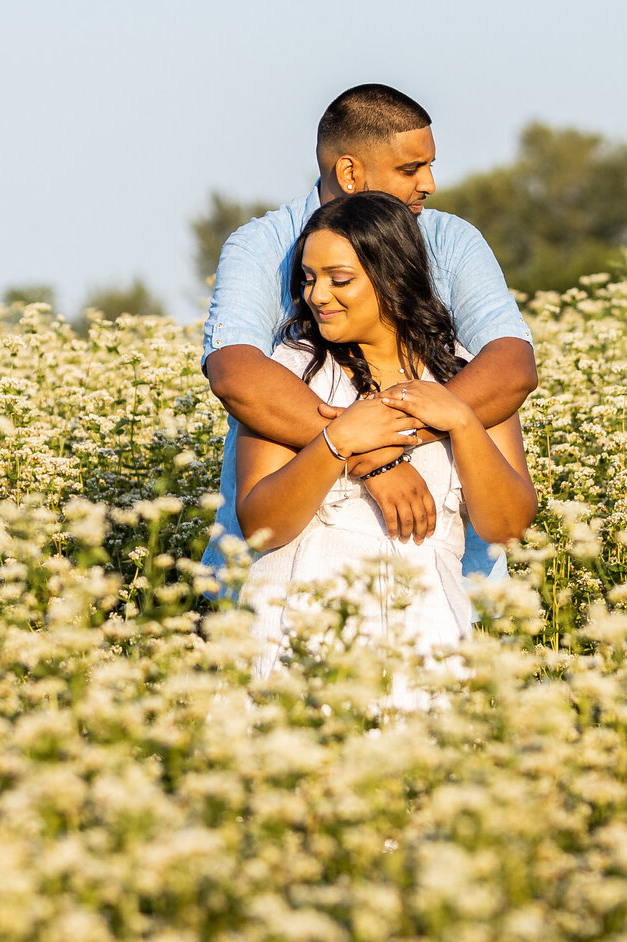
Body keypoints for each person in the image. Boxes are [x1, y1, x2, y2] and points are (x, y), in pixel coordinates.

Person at [202, 82, 536, 581]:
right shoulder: (262, 245)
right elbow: (238, 375)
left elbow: (509, 366)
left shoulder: (453, 239)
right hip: (291, 591)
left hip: (451, 593)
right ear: (350, 173)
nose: (429, 184)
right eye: (410, 169)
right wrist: (370, 456)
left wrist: (388, 436)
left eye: (429, 165)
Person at [236, 193, 537, 673]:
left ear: (393, 276)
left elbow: (508, 527)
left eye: (340, 280)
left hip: (429, 632)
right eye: (309, 279)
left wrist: (459, 419)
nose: (317, 296)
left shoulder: (466, 376)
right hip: (303, 625)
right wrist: (338, 443)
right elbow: (260, 526)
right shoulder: (291, 371)